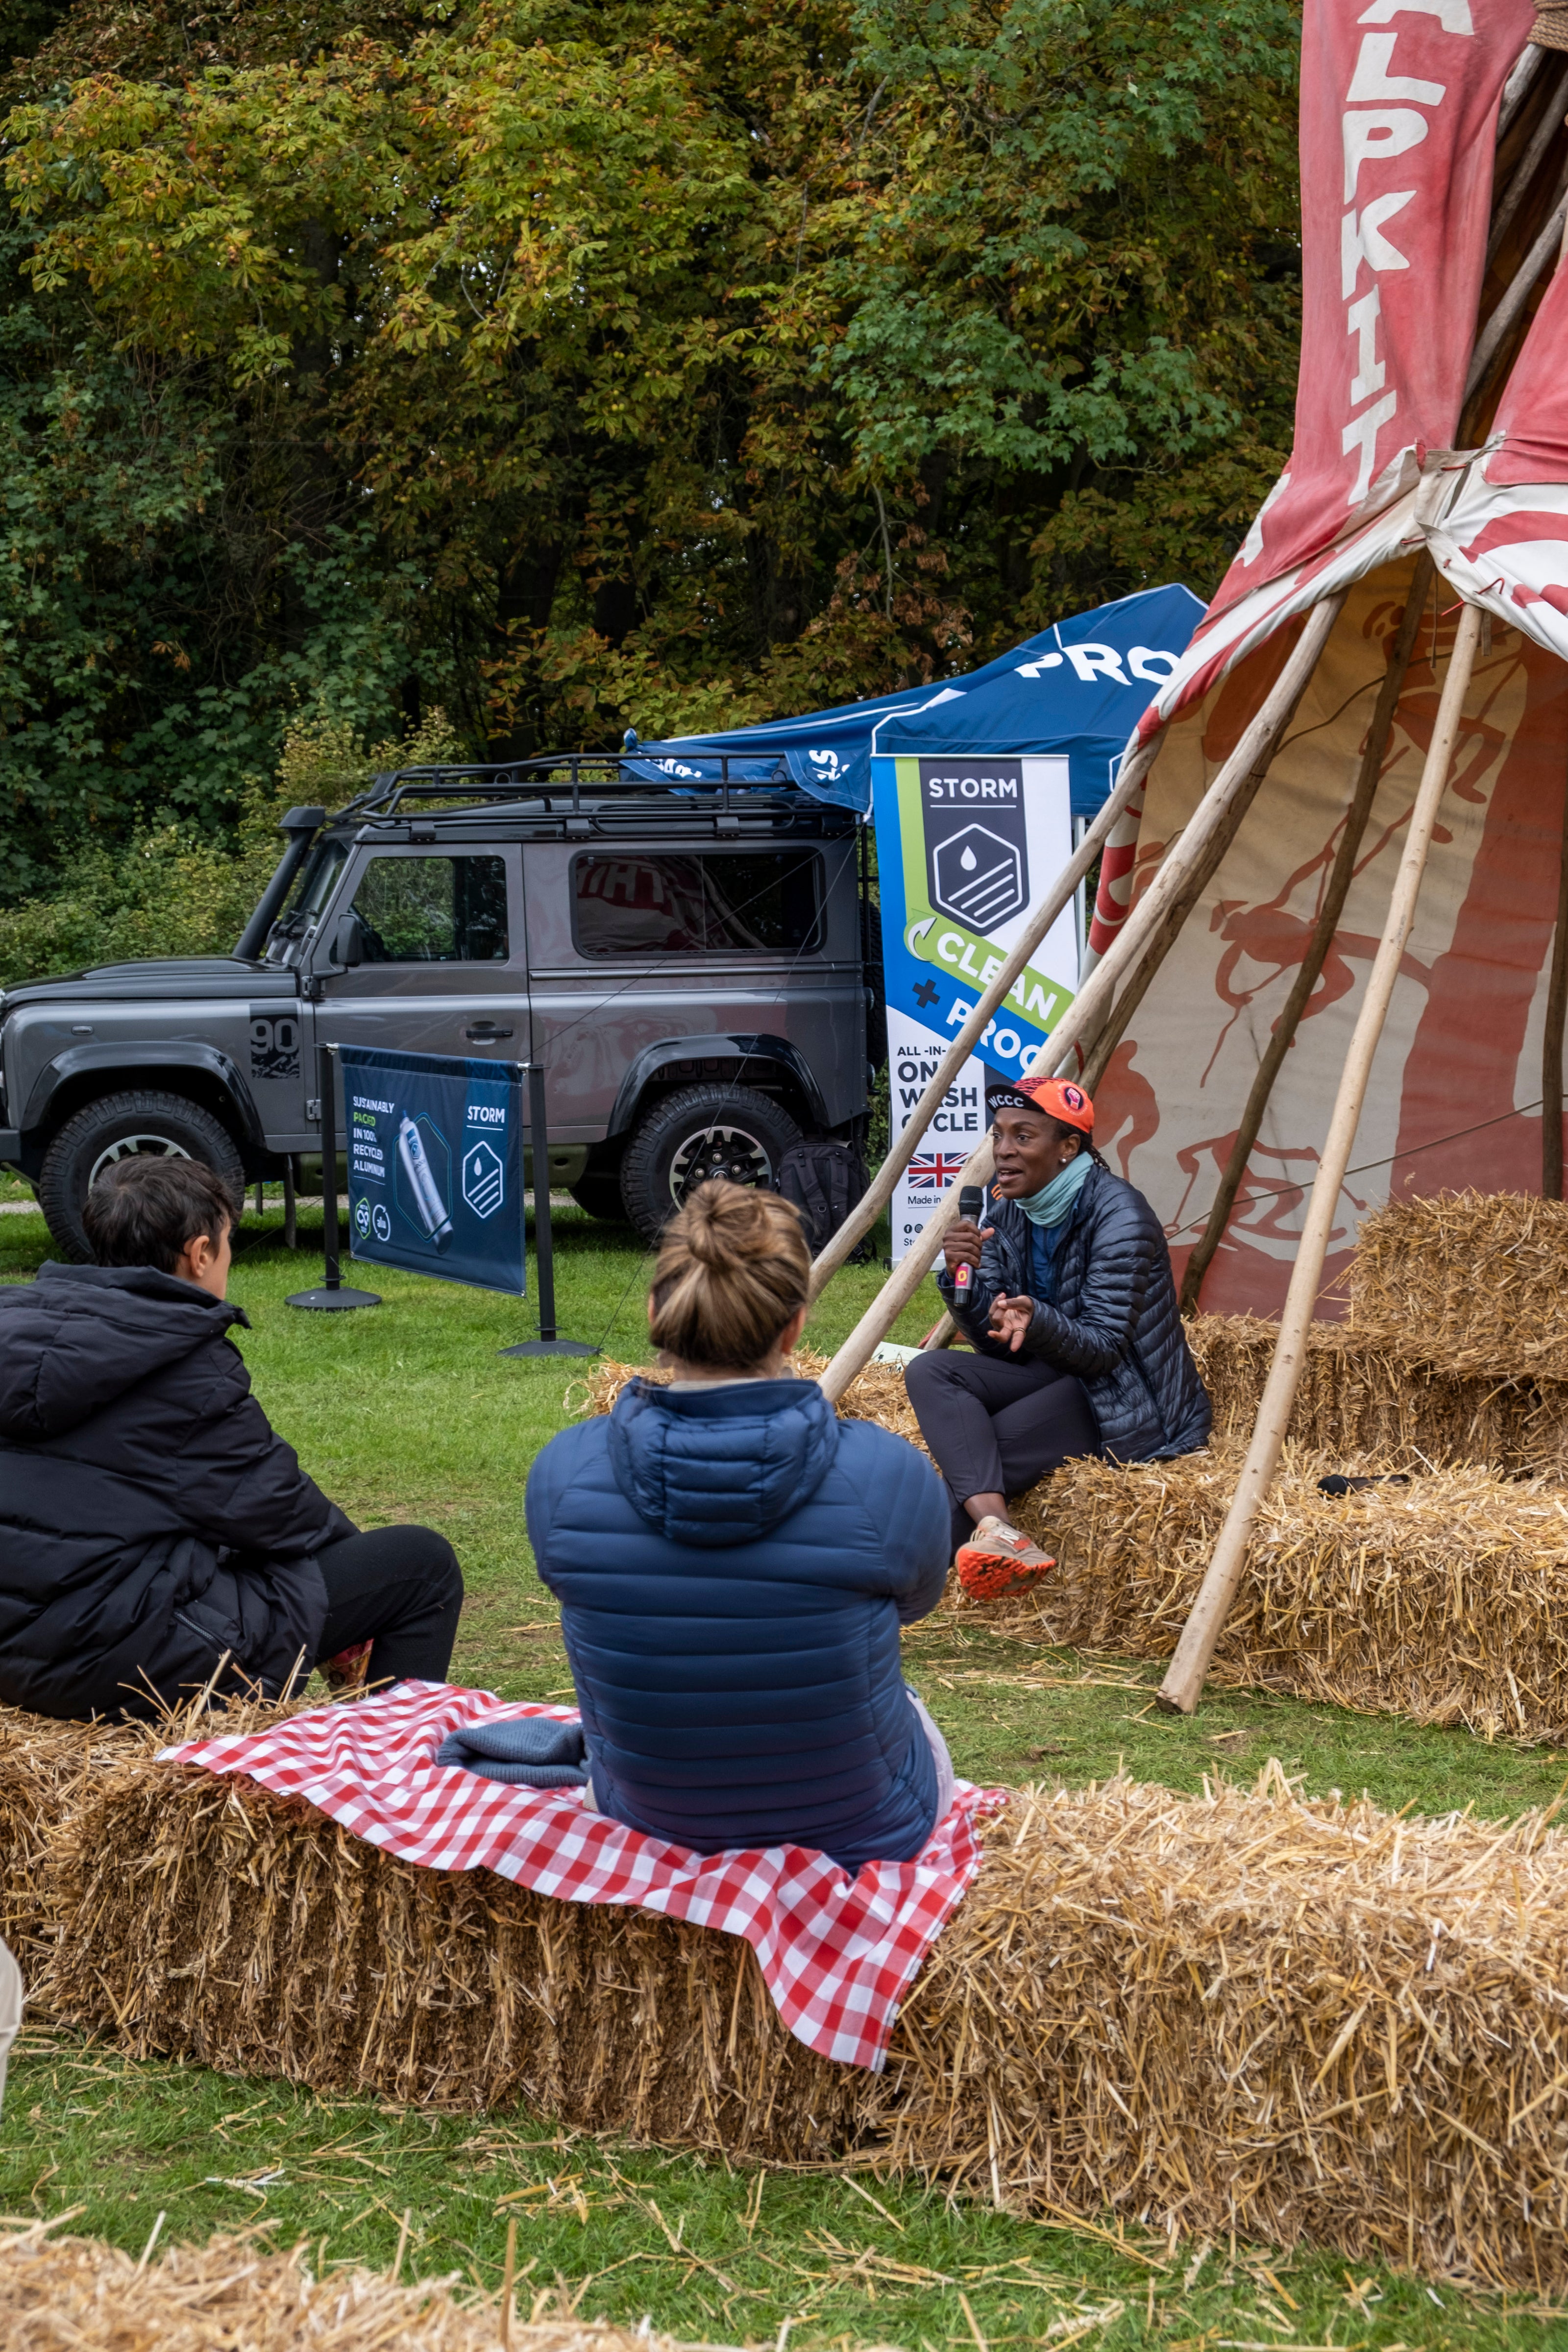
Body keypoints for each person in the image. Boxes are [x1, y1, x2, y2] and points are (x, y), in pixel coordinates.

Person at [526, 1179, 954, 1871]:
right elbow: (916, 1603)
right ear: (794, 1326)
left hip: (650, 1822)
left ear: (655, 1311)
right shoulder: (886, 1472)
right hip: (863, 1834)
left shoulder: (565, 1471)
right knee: (903, 1700)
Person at [0, 1156, 464, 1720]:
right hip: (111, 1661)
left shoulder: (16, 1330)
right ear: (200, 1254)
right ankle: (392, 1760)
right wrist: (358, 1583)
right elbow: (278, 1510)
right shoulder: (181, 1365)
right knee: (421, 1566)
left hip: (17, 1649)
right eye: (227, 1245)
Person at [906, 1073, 1210, 1602]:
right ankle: (999, 1531)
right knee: (929, 1370)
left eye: (1023, 1137)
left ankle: (893, 1571)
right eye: (998, 1135)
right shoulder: (1008, 1209)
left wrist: (1038, 1321)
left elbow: (1103, 1351)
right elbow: (995, 1343)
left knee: (985, 1449)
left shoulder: (1122, 1216)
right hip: (1050, 1368)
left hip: (1121, 1395)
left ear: (1068, 1148)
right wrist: (963, 1281)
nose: (1003, 1150)